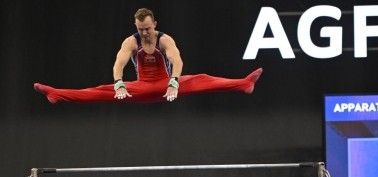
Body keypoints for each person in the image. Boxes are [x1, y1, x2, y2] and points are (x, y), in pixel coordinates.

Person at [34, 8, 263, 104]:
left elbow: (178, 61)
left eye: (147, 28)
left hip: (167, 86)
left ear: (154, 24)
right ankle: (55, 94)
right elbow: (118, 64)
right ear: (136, 25)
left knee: (202, 78)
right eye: (140, 28)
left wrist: (174, 81)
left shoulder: (164, 39)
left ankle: (244, 84)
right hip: (141, 88)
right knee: (101, 90)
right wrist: (119, 83)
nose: (144, 33)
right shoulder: (131, 42)